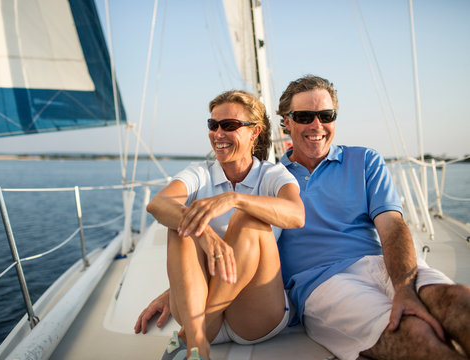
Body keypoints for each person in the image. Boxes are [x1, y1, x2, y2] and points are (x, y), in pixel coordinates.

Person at [136, 76, 470, 360]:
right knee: (416, 336)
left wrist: (404, 287)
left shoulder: (364, 160)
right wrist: (176, 287)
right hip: (321, 283)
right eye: (305, 116)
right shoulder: (274, 173)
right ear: (286, 122)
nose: (316, 125)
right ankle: (197, 339)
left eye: (325, 115)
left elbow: (392, 225)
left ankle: (193, 338)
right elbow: (245, 240)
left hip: (380, 263)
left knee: (458, 300)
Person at [141, 89, 304, 360]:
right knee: (183, 220)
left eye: (229, 126)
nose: (218, 133)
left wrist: (235, 199)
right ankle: (198, 343)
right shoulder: (199, 173)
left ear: (254, 132)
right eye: (213, 125)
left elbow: (296, 215)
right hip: (202, 308)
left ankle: (191, 337)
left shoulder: (272, 174)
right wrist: (204, 233)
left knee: (250, 218)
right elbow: (157, 204)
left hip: (255, 315)